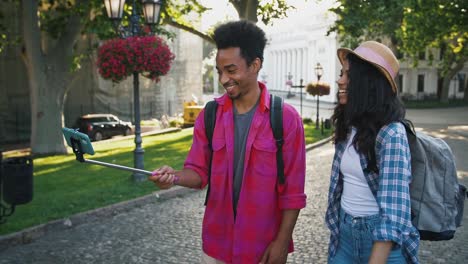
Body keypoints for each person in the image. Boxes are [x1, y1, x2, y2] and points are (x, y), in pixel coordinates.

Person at [149, 20, 307, 264]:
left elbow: (293, 193)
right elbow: (199, 173)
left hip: (262, 248)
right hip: (216, 247)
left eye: (231, 70)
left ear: (255, 65)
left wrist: (282, 242)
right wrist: (174, 177)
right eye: (219, 71)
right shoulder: (209, 115)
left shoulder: (286, 120)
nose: (224, 79)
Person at [325, 41, 420, 264]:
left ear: (367, 83)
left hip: (383, 246)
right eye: (341, 74)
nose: (340, 80)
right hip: (345, 239)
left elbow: (394, 213)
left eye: (347, 75)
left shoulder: (392, 134)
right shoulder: (349, 125)